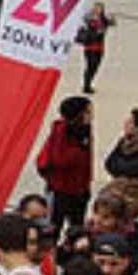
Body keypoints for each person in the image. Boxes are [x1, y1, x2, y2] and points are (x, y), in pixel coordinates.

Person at [34, 96, 93, 230]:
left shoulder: (85, 129)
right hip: (61, 190)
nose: (91, 115)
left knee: (77, 227)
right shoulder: (61, 131)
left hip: (80, 190)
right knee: (53, 227)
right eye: (88, 112)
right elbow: (59, 159)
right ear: (79, 114)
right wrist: (79, 149)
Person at [74, 2, 113, 94]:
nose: (97, 10)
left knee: (95, 67)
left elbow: (113, 23)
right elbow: (86, 25)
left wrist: (111, 18)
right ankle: (86, 86)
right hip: (90, 47)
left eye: (100, 8)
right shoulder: (89, 18)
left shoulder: (104, 20)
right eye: (96, 8)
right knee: (90, 66)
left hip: (100, 48)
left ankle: (88, 84)